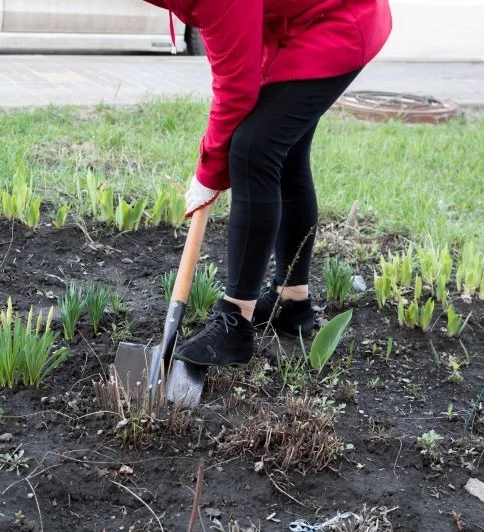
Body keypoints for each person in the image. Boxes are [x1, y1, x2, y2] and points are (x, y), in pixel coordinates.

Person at [143, 0, 392, 367]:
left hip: (340, 19)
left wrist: (208, 172)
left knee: (253, 148)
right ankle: (292, 302)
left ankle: (235, 323)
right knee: (283, 151)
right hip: (303, 23)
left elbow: (236, 89)